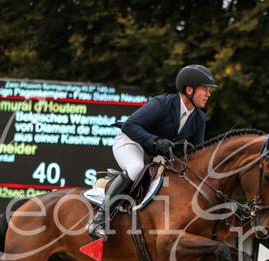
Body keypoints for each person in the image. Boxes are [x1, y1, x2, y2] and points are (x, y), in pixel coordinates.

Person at [88, 64, 218, 241]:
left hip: (155, 155)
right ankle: (99, 220)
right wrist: (155, 141)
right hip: (131, 142)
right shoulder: (162, 104)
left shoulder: (199, 118)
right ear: (189, 90)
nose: (208, 95)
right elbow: (130, 125)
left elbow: (197, 153)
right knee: (135, 168)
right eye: (205, 90)